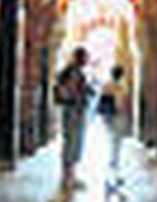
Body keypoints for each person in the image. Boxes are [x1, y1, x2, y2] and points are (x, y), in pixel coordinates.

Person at [54, 47, 91, 190]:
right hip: (73, 112)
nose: (87, 60)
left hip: (72, 111)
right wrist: (79, 99)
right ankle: (68, 178)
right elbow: (72, 91)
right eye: (85, 57)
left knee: (73, 142)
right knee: (72, 142)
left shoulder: (72, 71)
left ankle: (70, 176)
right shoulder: (73, 72)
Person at [97, 65, 128, 189]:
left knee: (114, 145)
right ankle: (112, 175)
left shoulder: (107, 85)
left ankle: (113, 175)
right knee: (115, 146)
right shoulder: (119, 86)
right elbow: (120, 102)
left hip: (110, 117)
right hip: (115, 116)